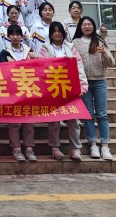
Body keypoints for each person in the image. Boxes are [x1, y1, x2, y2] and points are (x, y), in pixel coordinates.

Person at [39, 22, 88, 161]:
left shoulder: (71, 48)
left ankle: (76, 149)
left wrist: (83, 87)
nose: (57, 34)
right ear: (50, 34)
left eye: (59, 31)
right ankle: (55, 148)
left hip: (70, 89)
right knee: (54, 121)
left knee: (73, 119)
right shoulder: (45, 49)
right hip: (53, 89)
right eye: (54, 31)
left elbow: (79, 68)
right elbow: (41, 68)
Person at [73, 16, 115, 161]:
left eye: (89, 24)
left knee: (102, 114)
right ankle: (93, 145)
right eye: (84, 24)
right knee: (88, 115)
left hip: (99, 81)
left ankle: (105, 146)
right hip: (83, 83)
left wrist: (104, 53)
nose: (87, 27)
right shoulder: (75, 43)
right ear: (80, 27)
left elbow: (111, 63)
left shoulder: (100, 41)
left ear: (93, 26)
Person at [0, 24, 37, 162]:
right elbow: (3, 71)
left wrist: (34, 58)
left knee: (29, 121)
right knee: (14, 121)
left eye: (18, 34)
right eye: (12, 34)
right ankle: (16, 149)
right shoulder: (4, 52)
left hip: (28, 89)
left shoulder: (29, 50)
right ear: (8, 36)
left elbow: (37, 68)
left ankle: (29, 148)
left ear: (21, 36)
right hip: (13, 91)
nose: (15, 37)